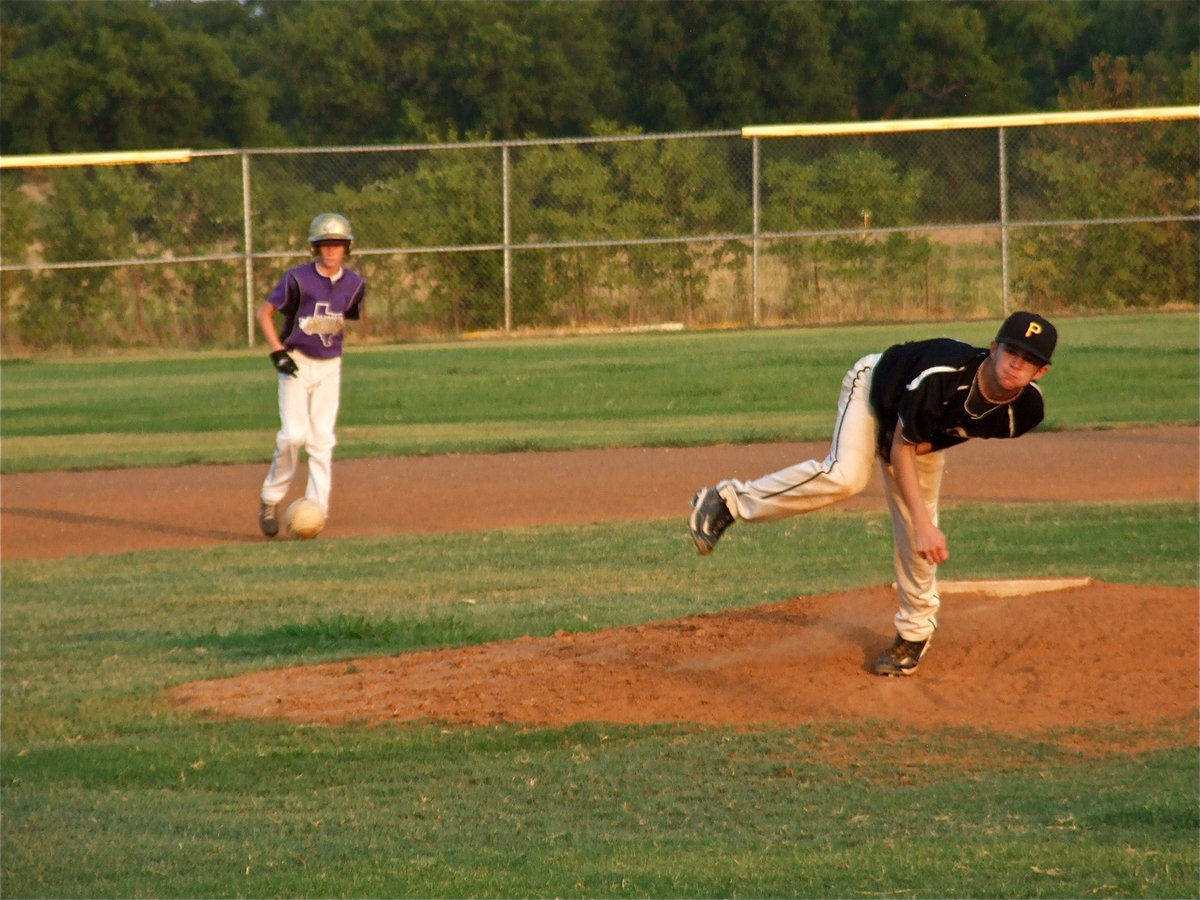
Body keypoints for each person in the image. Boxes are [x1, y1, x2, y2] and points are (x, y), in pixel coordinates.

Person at [688, 311, 1057, 676]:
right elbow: (900, 448)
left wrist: (922, 500)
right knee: (847, 476)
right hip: (875, 391)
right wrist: (922, 520)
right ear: (993, 349)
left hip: (918, 429)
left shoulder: (1025, 412)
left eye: (1029, 360)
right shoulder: (944, 376)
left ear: (1041, 372)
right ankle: (727, 501)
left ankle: (914, 635)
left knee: (920, 528)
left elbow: (956, 429)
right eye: (1012, 352)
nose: (1016, 364)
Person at [257, 213, 366, 537]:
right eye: (324, 245)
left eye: (337, 245)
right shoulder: (297, 279)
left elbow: (346, 316)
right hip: (296, 363)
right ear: (314, 248)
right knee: (293, 435)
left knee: (321, 441)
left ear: (347, 248)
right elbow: (264, 313)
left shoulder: (355, 284)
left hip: (330, 367)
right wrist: (277, 351)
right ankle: (270, 498)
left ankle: (316, 511)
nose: (331, 251)